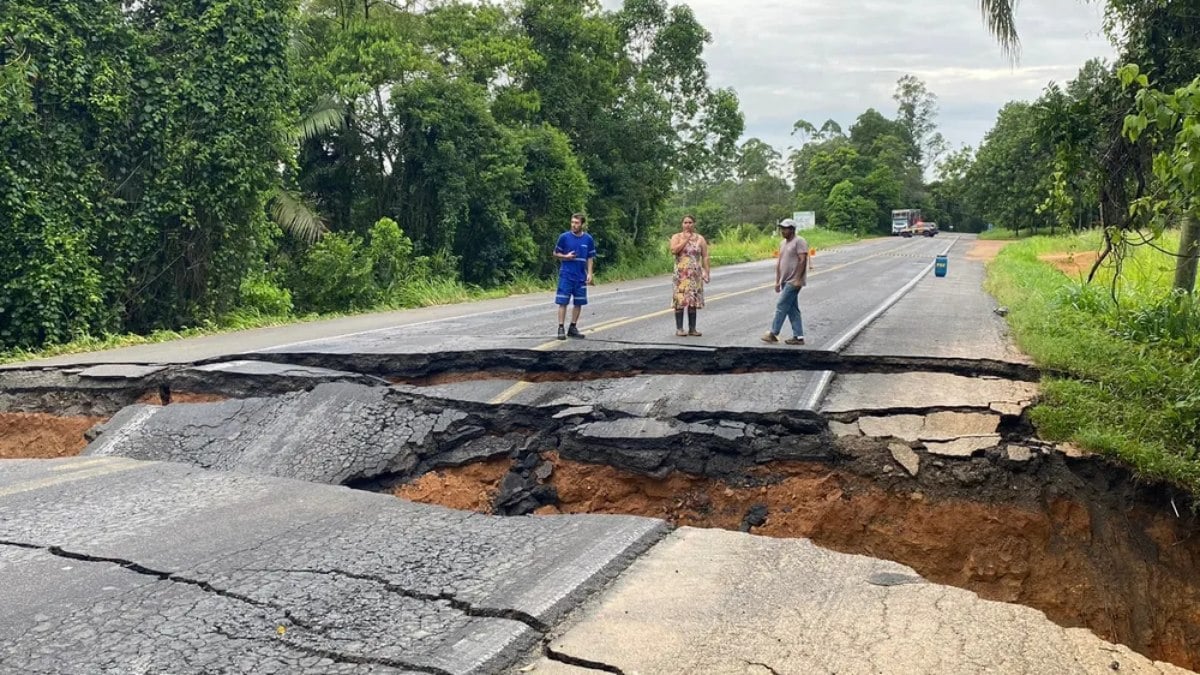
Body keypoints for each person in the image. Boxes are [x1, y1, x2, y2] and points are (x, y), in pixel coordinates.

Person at [762, 218, 808, 345]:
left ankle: (773, 333)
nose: (783, 231)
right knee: (792, 309)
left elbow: (803, 260)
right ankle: (798, 337)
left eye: (785, 228)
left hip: (793, 281)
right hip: (784, 280)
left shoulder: (799, 241)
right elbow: (780, 262)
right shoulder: (782, 243)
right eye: (781, 228)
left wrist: (798, 279)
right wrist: (777, 281)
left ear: (792, 229)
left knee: (781, 305)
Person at [553, 213, 596, 340]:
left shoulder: (588, 239)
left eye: (577, 223)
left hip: (580, 276)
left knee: (579, 302)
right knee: (563, 302)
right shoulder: (564, 237)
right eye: (572, 222)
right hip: (566, 274)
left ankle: (573, 327)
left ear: (582, 224)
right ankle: (561, 328)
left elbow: (590, 257)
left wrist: (589, 273)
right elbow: (555, 253)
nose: (574, 225)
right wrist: (565, 257)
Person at [669, 215, 710, 336]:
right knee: (680, 300)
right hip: (681, 274)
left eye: (690, 222)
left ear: (694, 224)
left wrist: (707, 271)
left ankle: (692, 328)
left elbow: (705, 256)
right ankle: (679, 328)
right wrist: (686, 240)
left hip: (695, 274)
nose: (688, 225)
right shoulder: (676, 237)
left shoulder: (700, 239)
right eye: (685, 222)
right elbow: (674, 250)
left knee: (693, 300)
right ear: (682, 224)